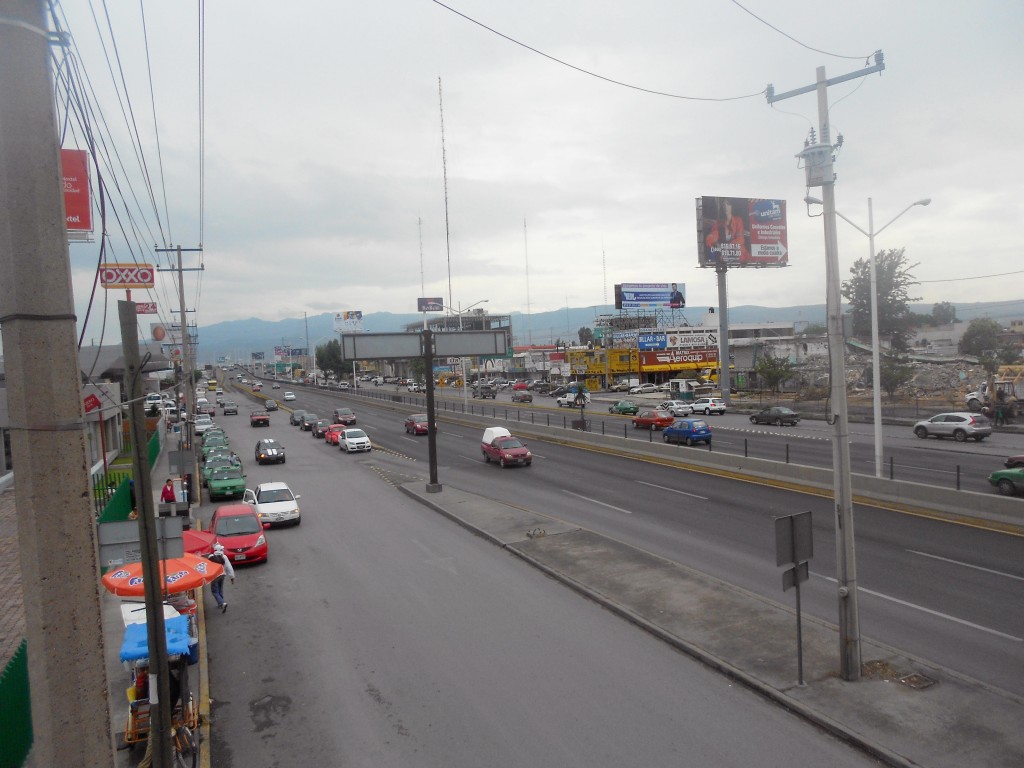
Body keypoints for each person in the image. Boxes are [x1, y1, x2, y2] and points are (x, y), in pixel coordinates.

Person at [704, 198, 749, 263]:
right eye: (723, 204)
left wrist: (727, 247)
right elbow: (712, 237)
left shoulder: (738, 220)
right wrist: (716, 243)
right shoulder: (719, 223)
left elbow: (740, 240)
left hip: (738, 252)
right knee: (713, 253)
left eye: (728, 204)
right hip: (724, 253)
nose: (725, 206)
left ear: (732, 206)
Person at [207, 544, 235, 613]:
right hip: (222, 575)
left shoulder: (210, 557)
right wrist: (232, 577)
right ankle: (221, 604)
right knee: (220, 589)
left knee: (214, 591)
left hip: (215, 576)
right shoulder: (224, 557)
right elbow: (229, 567)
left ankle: (222, 603)